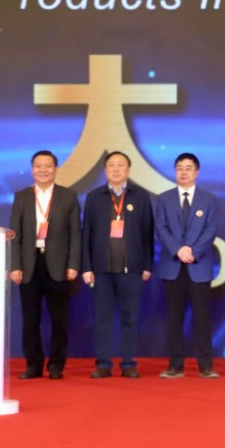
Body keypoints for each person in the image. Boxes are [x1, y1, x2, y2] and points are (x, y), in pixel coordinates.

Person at [81, 151, 154, 379]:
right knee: (102, 319)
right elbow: (86, 234)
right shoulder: (94, 197)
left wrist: (147, 265)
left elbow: (148, 233)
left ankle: (129, 363)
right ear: (105, 170)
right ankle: (103, 363)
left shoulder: (140, 196)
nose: (116, 169)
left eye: (120, 165)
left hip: (132, 269)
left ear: (128, 170)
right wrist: (87, 267)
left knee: (130, 318)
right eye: (111, 165)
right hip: (101, 270)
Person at [10, 150, 81, 380]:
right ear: (32, 170)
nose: (43, 170)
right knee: (30, 319)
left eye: (48, 166)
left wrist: (73, 264)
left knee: (59, 319)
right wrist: (15, 265)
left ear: (55, 169)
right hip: (29, 265)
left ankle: (57, 365)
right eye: (38, 166)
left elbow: (75, 234)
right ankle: (33, 365)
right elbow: (15, 235)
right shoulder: (21, 197)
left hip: (59, 265)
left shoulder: (68, 196)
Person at [154, 153, 220, 379]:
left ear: (197, 172)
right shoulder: (164, 199)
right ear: (175, 171)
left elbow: (211, 230)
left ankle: (206, 366)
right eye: (180, 168)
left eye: (189, 168)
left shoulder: (209, 199)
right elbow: (161, 228)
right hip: (172, 267)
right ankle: (175, 366)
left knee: (202, 318)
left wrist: (192, 251)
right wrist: (178, 250)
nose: (184, 172)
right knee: (174, 318)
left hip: (198, 266)